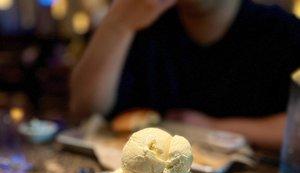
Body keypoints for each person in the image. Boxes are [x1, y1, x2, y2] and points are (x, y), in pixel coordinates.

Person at [70, 0, 300, 149]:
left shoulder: (281, 31)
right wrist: (118, 22)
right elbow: (84, 109)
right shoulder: (144, 23)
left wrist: (213, 126)